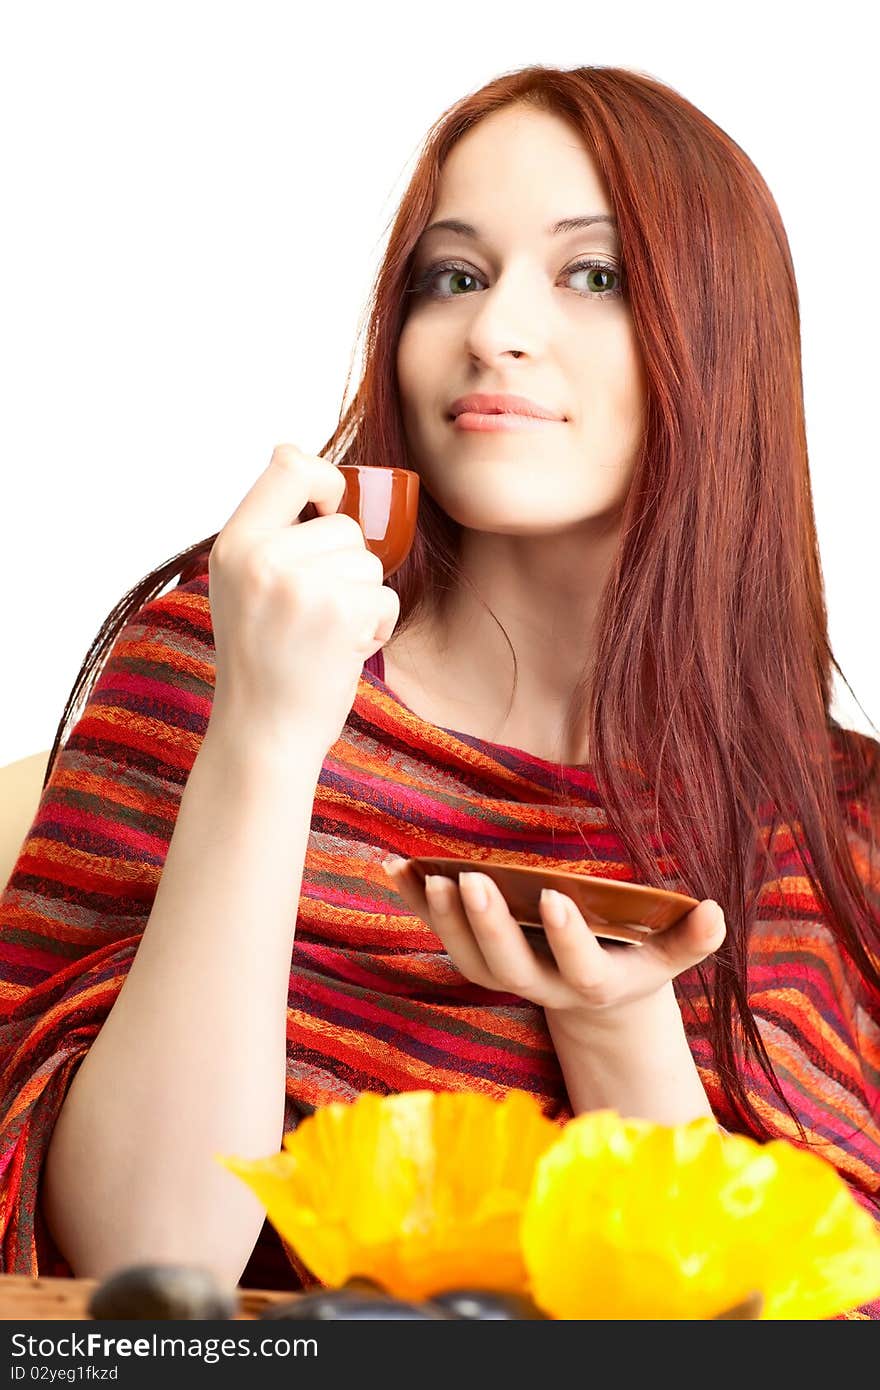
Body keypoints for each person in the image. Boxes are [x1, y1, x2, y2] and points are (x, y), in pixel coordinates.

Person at [1, 64, 878, 1317]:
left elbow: (811, 1324)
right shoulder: (224, 658)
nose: (490, 330)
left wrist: (615, 1023)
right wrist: (264, 734)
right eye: (453, 276)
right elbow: (134, 1280)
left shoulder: (837, 819)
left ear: (723, 342)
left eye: (595, 274)